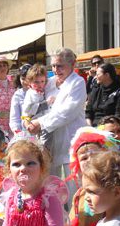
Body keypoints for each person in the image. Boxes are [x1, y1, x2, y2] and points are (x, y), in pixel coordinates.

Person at [28, 48, 87, 192]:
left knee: (74, 188)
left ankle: (75, 215)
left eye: (60, 65)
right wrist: (27, 117)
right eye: (53, 65)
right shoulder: (49, 82)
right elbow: (34, 100)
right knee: (49, 188)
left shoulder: (77, 83)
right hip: (49, 143)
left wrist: (40, 123)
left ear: (72, 64)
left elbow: (67, 112)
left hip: (70, 140)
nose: (56, 69)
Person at [85, 63, 120, 129]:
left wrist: (102, 130)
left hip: (113, 130)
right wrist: (90, 128)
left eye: (98, 74)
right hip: (94, 129)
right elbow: (88, 113)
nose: (95, 77)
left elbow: (119, 117)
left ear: (107, 75)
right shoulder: (96, 91)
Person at [21, 64, 55, 139]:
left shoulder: (41, 91)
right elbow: (28, 109)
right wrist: (46, 103)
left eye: (42, 81)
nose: (40, 84)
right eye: (36, 82)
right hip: (34, 124)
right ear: (29, 82)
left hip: (42, 124)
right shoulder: (31, 93)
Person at [9, 63, 32, 136]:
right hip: (24, 133)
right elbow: (14, 118)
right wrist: (18, 133)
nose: (25, 81)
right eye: (23, 78)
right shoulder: (17, 95)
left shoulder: (40, 91)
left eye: (28, 78)